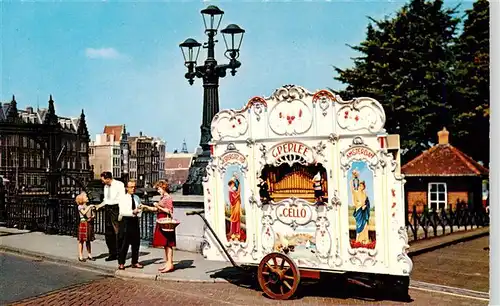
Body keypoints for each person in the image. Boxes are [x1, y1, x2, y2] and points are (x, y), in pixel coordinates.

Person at [147, 180, 176, 273]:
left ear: (163, 188)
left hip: (165, 221)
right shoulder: (163, 198)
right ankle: (167, 263)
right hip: (161, 220)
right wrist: (146, 207)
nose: (158, 191)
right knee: (165, 244)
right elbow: (157, 209)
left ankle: (170, 264)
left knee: (168, 243)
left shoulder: (168, 198)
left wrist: (158, 207)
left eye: (159, 189)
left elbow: (169, 211)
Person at [99, 171, 125, 262]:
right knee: (108, 232)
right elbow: (106, 200)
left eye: (103, 180)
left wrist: (121, 213)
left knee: (117, 232)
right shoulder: (106, 186)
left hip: (116, 208)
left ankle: (120, 253)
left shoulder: (119, 185)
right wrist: (99, 206)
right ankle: (112, 253)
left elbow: (122, 199)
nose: (102, 182)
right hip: (108, 208)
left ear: (108, 179)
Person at [117, 180, 144, 270]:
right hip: (126, 221)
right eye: (131, 187)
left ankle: (135, 262)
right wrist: (133, 212)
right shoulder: (123, 198)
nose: (133, 189)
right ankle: (121, 263)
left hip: (135, 221)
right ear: (127, 188)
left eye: (134, 187)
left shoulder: (136, 197)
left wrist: (139, 212)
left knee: (136, 243)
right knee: (124, 243)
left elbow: (140, 209)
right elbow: (122, 211)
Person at [76, 192, 96, 262]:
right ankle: (80, 255)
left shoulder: (87, 206)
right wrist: (89, 207)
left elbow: (92, 215)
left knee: (88, 240)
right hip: (83, 223)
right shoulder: (80, 206)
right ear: (82, 199)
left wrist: (93, 214)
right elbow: (84, 212)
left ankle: (89, 254)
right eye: (86, 197)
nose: (87, 198)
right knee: (81, 240)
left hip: (88, 223)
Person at [351, 180, 371, 244]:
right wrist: (352, 182)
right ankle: (358, 239)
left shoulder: (365, 194)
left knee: (365, 225)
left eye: (362, 186)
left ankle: (365, 239)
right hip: (359, 210)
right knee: (359, 225)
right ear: (359, 186)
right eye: (360, 185)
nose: (361, 187)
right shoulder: (356, 192)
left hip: (364, 211)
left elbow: (367, 202)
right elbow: (352, 190)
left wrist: (365, 205)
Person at [227, 175, 242, 241]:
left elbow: (237, 193)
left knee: (237, 219)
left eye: (233, 183)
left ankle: (237, 233)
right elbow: (233, 199)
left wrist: (238, 182)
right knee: (234, 219)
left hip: (237, 206)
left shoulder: (233, 191)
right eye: (232, 183)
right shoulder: (230, 192)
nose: (233, 185)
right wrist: (238, 194)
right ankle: (233, 233)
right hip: (234, 207)